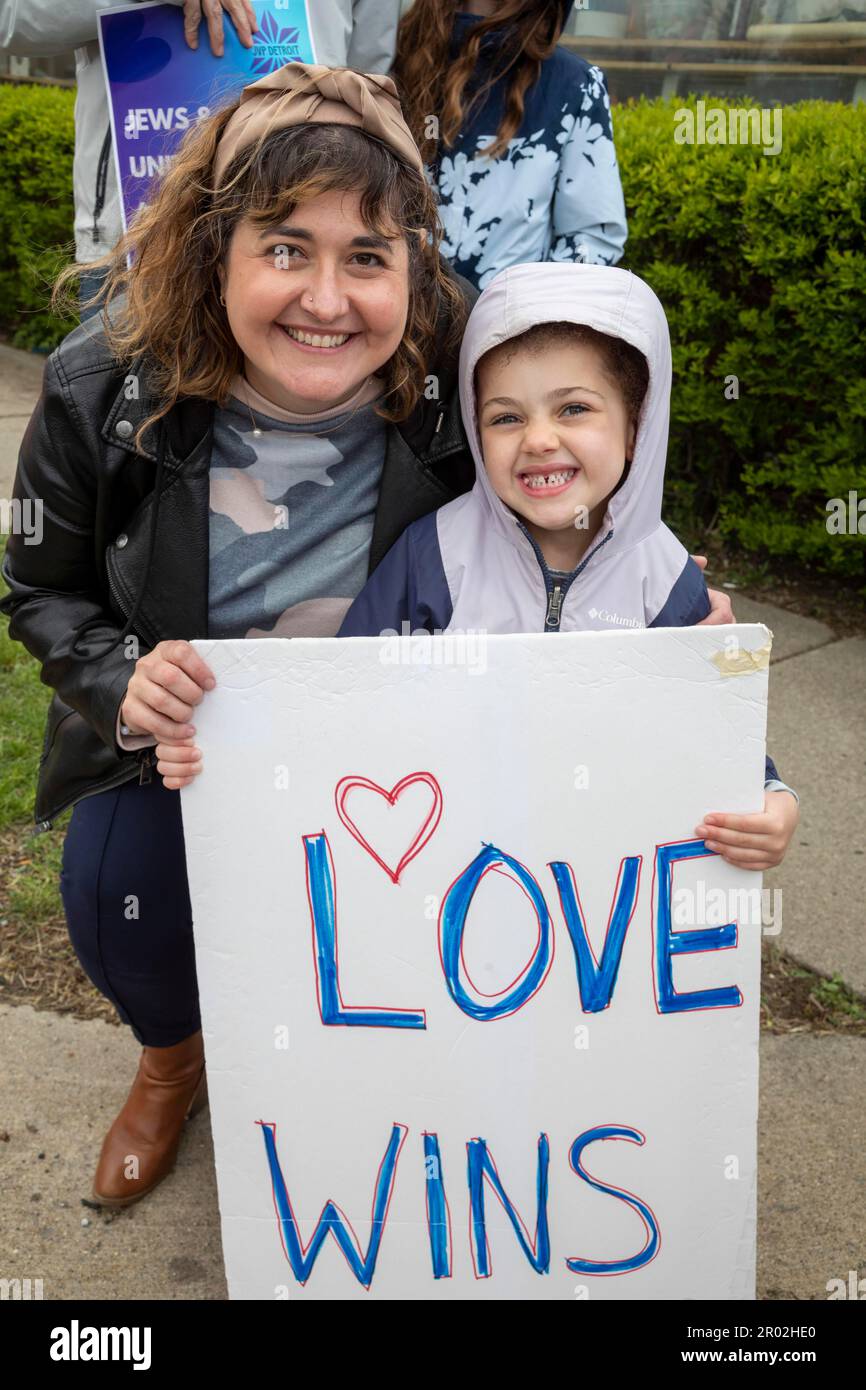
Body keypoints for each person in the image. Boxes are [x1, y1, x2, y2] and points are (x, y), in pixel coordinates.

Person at [0, 65, 733, 1212]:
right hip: (190, 741)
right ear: (214, 248)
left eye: (368, 257)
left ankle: (392, 1071)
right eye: (285, 247)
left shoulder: (459, 382)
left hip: (414, 739)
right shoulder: (105, 384)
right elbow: (39, 585)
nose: (327, 298)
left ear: (413, 271)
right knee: (116, 904)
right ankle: (172, 1061)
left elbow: (567, 482)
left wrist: (660, 619)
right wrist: (119, 680)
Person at [337, 263, 800, 869]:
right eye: (505, 417)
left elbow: (718, 731)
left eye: (574, 409)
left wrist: (771, 798)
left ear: (635, 427)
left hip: (599, 896)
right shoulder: (435, 555)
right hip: (444, 873)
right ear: (476, 434)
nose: (538, 439)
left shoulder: (664, 579)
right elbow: (342, 698)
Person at [0, 0, 404, 317]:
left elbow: (361, 83)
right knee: (137, 416)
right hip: (139, 230)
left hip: (300, 230)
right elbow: (14, 18)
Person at [391, 0, 628, 290]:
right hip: (398, 321)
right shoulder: (391, 61)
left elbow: (592, 238)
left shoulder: (574, 86)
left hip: (510, 325)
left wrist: (532, 319)